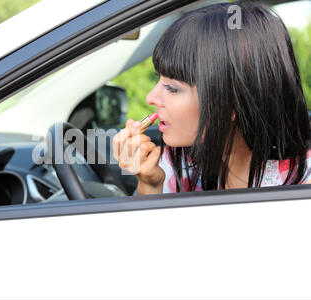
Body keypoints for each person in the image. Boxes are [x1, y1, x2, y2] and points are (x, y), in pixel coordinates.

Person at [112, 1, 311, 195]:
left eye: (172, 88)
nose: (150, 97)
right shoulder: (172, 167)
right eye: (159, 79)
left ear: (231, 103)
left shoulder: (303, 184)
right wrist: (149, 183)